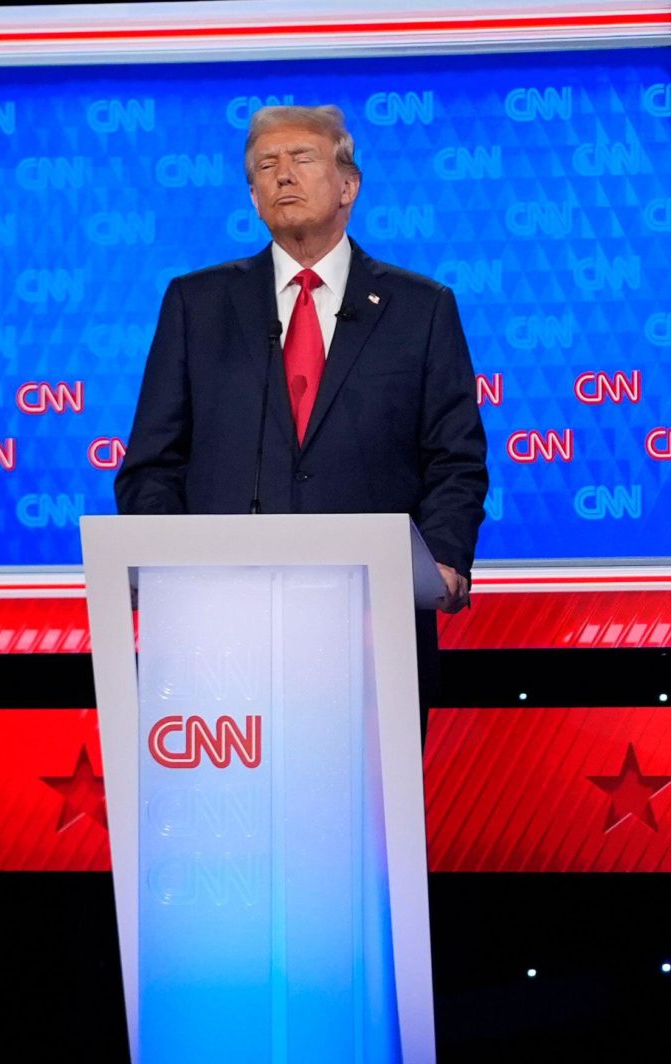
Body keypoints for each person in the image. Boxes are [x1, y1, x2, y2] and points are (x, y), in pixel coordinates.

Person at [116, 104, 489, 735]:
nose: (282, 175)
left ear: (349, 184)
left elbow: (456, 457)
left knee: (368, 822)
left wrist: (445, 560)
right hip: (220, 626)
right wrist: (171, 574)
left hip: (373, 620)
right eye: (266, 165)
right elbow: (153, 463)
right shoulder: (196, 303)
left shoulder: (421, 307)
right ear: (254, 196)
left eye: (302, 159)